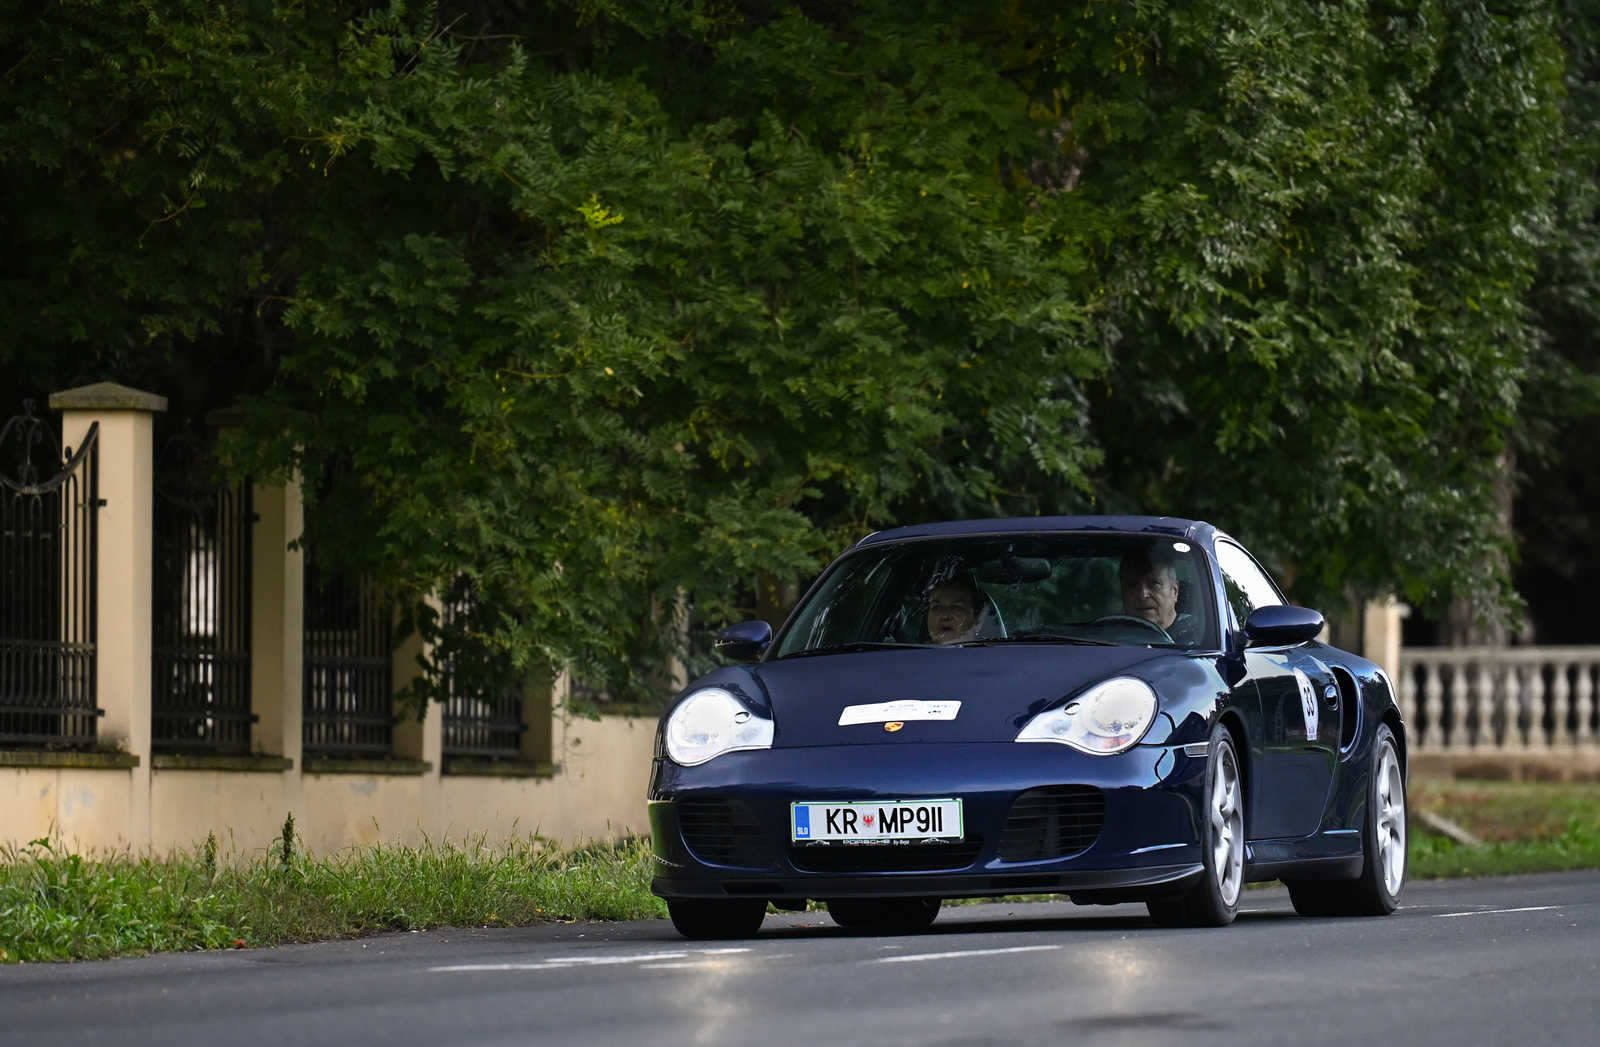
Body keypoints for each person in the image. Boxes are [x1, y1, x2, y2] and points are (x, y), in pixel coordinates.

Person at [1119, 547, 1200, 644]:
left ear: (1175, 591)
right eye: (1132, 585)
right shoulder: (1107, 639)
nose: (1142, 595)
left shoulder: (1201, 638)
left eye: (1153, 583)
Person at [925, 573, 986, 644]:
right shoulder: (911, 652)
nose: (945, 616)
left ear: (978, 621)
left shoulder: (994, 654)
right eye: (937, 608)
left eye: (957, 608)